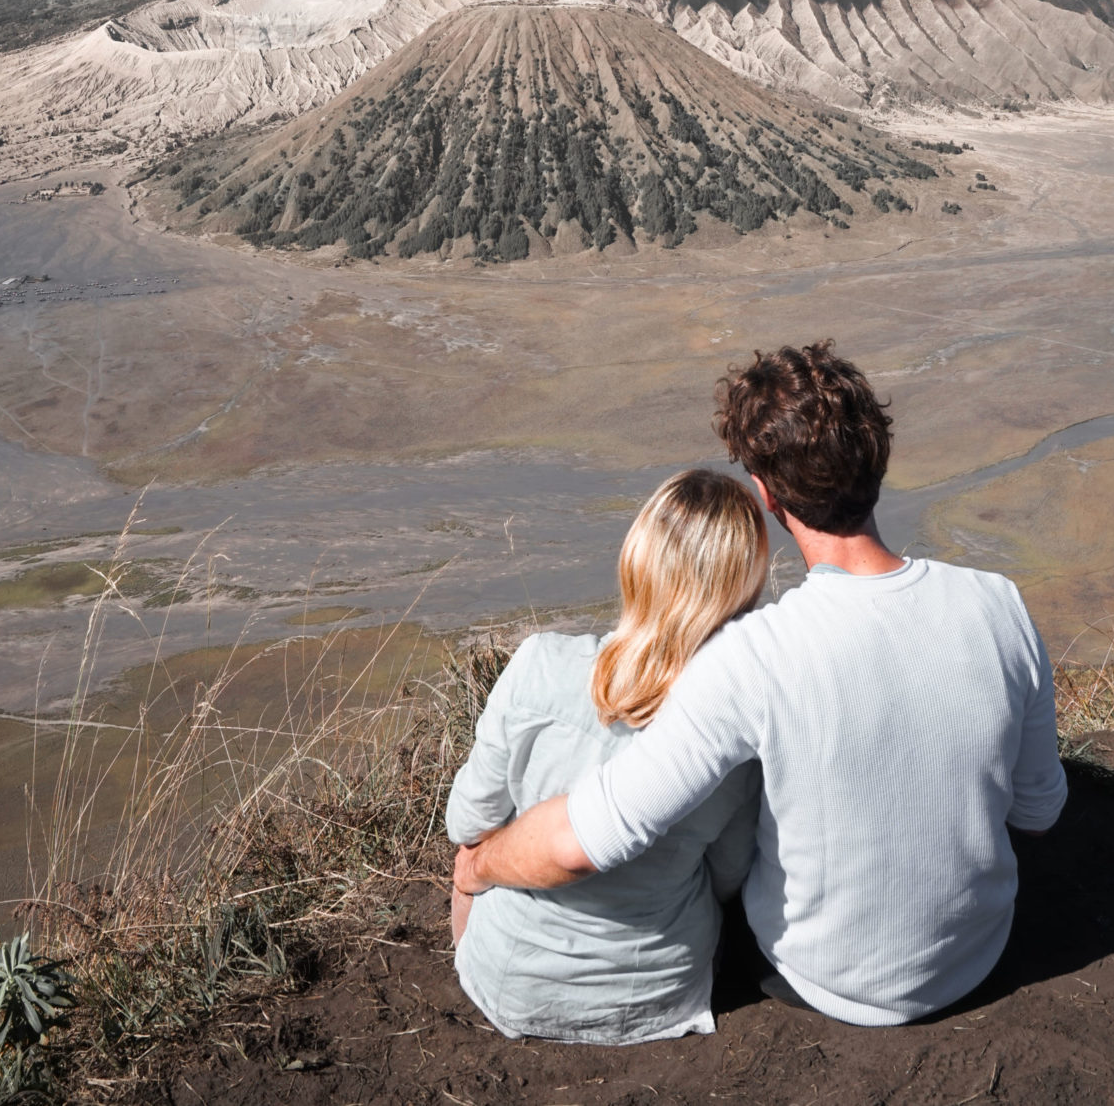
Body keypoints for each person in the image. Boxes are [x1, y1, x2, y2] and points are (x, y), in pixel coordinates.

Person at [454, 341, 1069, 1026]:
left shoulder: (753, 657)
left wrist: (481, 867)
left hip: (819, 981)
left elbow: (583, 842)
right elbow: (1038, 814)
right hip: (975, 959)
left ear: (766, 495)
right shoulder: (998, 603)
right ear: (878, 462)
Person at [445, 468, 766, 1044]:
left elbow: (466, 821)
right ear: (742, 592)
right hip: (657, 999)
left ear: (634, 561)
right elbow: (728, 877)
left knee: (472, 854)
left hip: (512, 989)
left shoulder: (540, 666)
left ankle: (473, 965)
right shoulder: (736, 735)